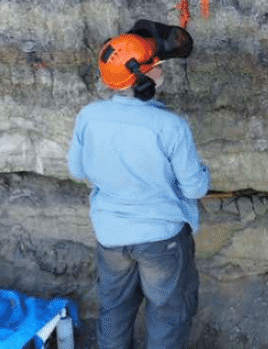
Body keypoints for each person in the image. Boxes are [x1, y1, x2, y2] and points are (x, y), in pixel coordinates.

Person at [68, 20, 211, 349]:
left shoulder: (88, 116)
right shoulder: (170, 126)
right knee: (166, 313)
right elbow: (194, 189)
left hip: (111, 236)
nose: (161, 65)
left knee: (115, 310)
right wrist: (203, 172)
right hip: (161, 241)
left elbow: (77, 170)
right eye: (156, 63)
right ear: (144, 76)